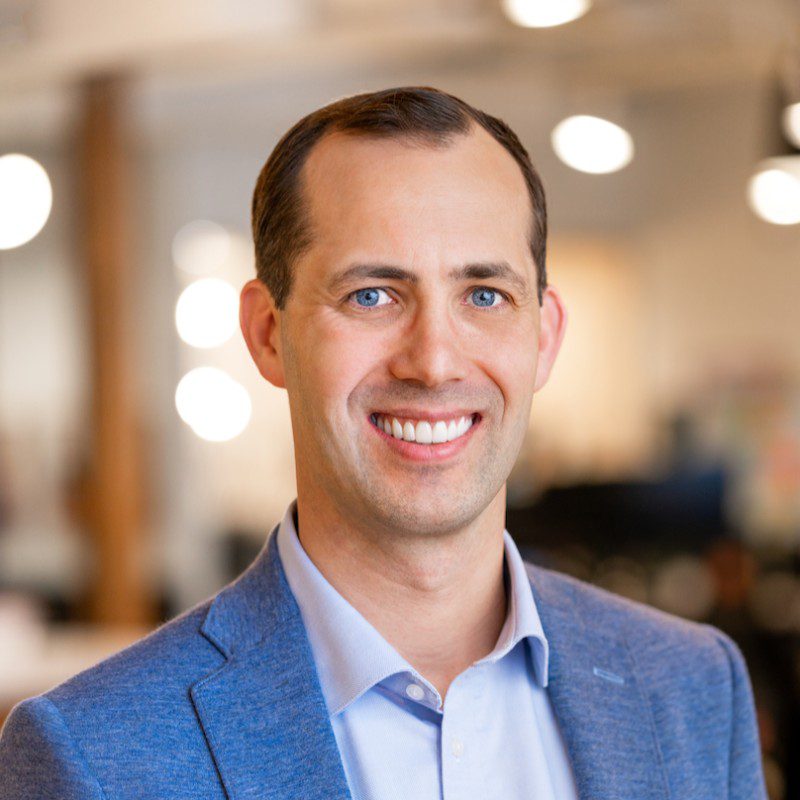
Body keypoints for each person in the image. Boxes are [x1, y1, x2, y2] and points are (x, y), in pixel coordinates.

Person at [0, 86, 767, 799]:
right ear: (266, 333)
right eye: (371, 295)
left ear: (543, 337)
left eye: (484, 295)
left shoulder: (693, 689)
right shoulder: (94, 756)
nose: (433, 361)